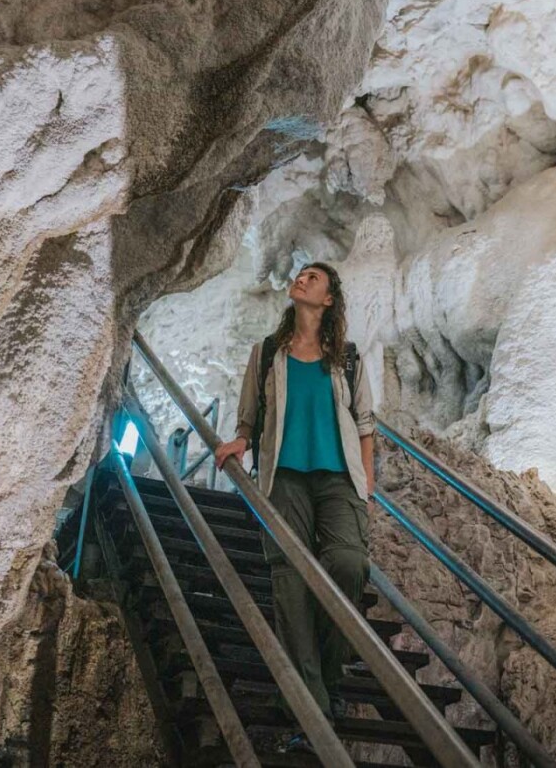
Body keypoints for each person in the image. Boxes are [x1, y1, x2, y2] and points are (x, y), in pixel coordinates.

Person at [214, 262, 375, 753]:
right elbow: (249, 418)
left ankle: (324, 680)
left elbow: (366, 425)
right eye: (301, 274)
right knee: (290, 585)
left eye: (314, 277)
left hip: (338, 480)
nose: (302, 279)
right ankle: (314, 711)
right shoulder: (267, 354)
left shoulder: (347, 358)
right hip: (283, 479)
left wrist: (365, 489)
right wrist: (240, 441)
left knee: (348, 564)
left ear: (328, 300)